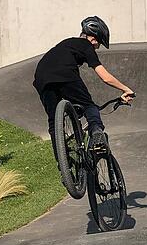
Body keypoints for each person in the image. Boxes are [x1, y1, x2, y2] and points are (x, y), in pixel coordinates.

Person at [33, 16, 135, 159]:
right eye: (97, 45)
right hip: (65, 74)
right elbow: (105, 77)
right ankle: (96, 133)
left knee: (54, 122)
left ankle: (62, 163)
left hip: (41, 77)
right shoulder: (85, 45)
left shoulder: (65, 44)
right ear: (93, 39)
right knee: (88, 106)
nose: (95, 48)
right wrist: (125, 89)